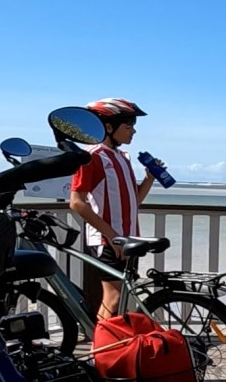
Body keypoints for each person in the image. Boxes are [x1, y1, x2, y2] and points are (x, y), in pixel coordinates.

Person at [68, 97, 158, 319]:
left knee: (123, 299)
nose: (133, 132)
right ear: (108, 127)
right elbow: (77, 202)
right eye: (128, 127)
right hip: (107, 239)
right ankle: (98, 351)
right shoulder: (92, 156)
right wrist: (111, 235)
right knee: (114, 297)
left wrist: (149, 179)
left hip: (127, 238)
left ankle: (113, 348)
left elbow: (132, 201)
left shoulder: (122, 157)